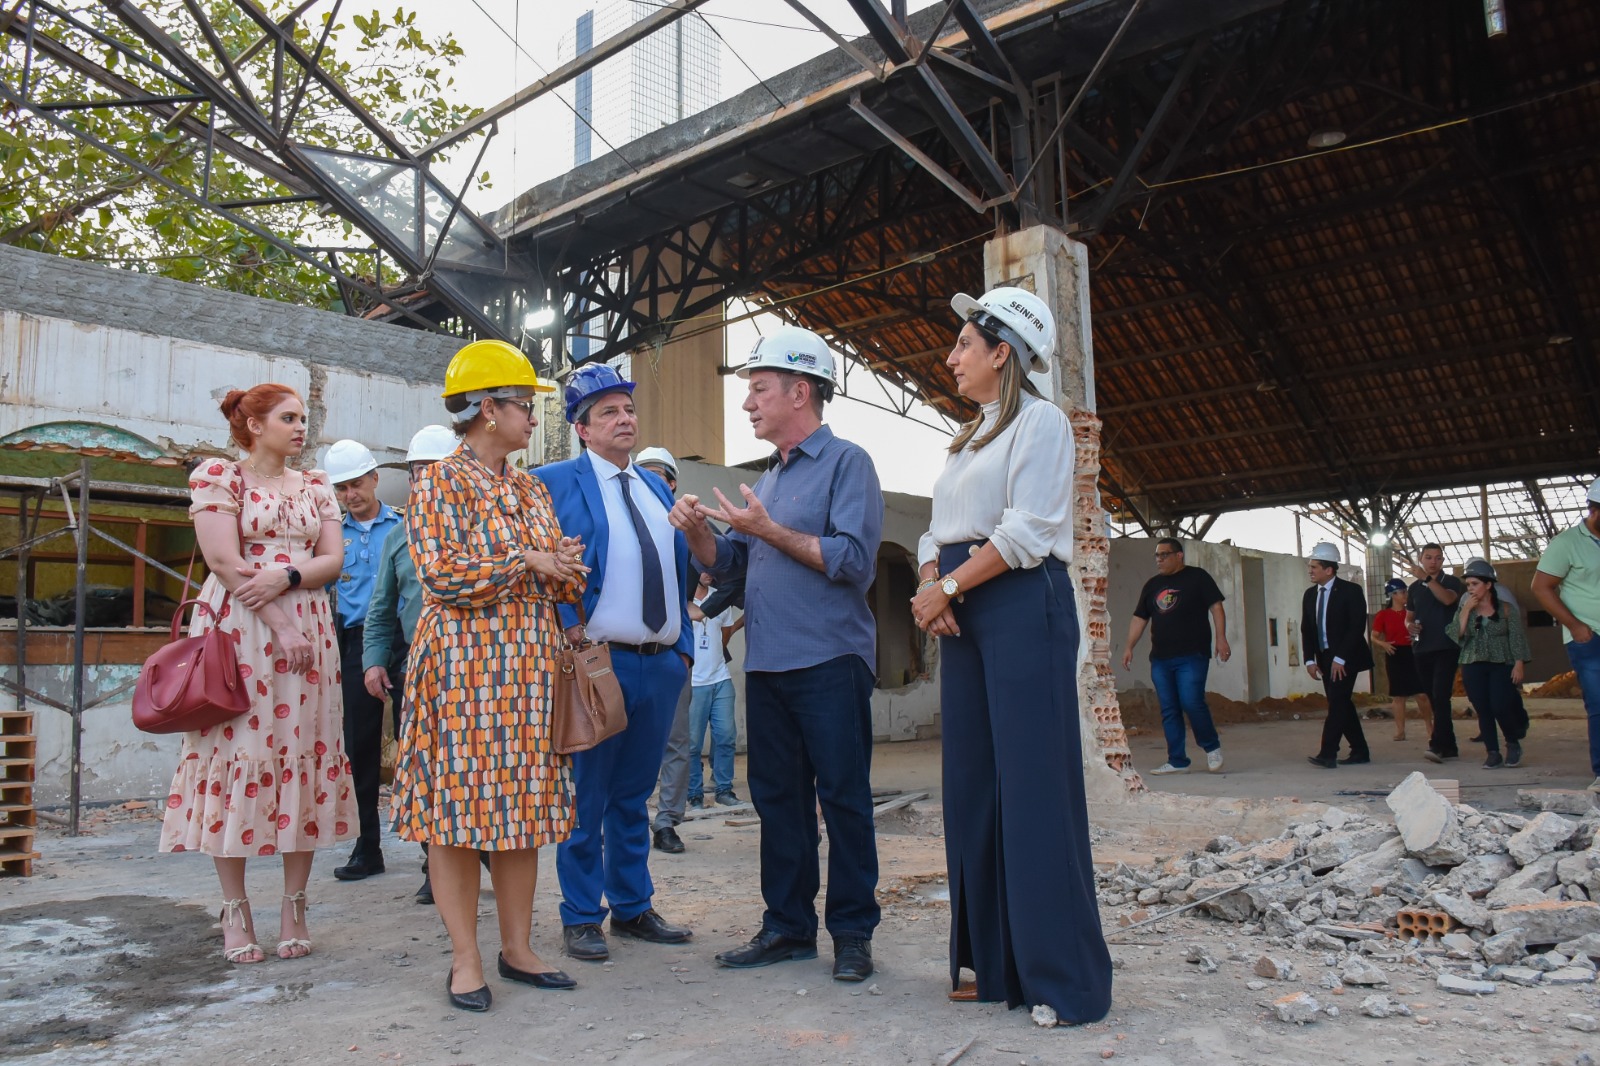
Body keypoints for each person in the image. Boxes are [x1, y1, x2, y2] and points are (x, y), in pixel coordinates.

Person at [903, 286, 1110, 1020]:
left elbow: (1028, 530)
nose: (951, 356)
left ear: (1002, 353)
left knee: (1033, 789)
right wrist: (934, 581)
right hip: (965, 606)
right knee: (973, 786)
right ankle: (991, 963)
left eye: (964, 344)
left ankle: (1062, 982)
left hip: (1022, 604)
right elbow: (937, 529)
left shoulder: (1042, 424)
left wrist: (951, 583)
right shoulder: (968, 437)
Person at [670, 324, 883, 983]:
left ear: (800, 390)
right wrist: (704, 537)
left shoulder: (848, 464)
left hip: (829, 661)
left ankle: (851, 933)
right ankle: (788, 927)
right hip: (766, 665)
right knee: (779, 801)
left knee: (843, 798)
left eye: (758, 389)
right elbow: (733, 565)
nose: (747, 403)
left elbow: (851, 560)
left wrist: (766, 528)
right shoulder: (772, 477)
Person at [390, 339, 588, 1012]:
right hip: (462, 670)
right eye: (522, 405)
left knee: (522, 812)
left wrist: (562, 564)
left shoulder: (530, 487)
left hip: (529, 674)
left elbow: (548, 570)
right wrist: (527, 560)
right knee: (455, 815)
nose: (532, 418)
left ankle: (518, 949)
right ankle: (466, 959)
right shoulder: (439, 482)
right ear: (484, 409)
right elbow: (442, 575)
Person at [160, 383, 354, 964]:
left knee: (306, 752)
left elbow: (333, 559)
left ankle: (295, 904)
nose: (300, 427)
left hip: (311, 625)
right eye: (288, 418)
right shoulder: (220, 476)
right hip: (241, 632)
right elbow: (224, 560)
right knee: (238, 752)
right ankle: (235, 909)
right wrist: (280, 619)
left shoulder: (317, 484)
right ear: (252, 423)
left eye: (302, 417)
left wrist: (290, 580)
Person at [536, 367, 696, 964]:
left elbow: (680, 563)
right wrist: (566, 627)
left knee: (633, 795)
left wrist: (680, 650)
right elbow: (536, 560)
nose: (625, 418)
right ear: (581, 428)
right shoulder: (551, 482)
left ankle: (632, 906)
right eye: (608, 412)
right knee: (588, 794)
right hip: (597, 661)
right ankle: (581, 914)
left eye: (628, 408)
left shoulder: (655, 487)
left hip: (660, 663)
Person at [361, 424, 457, 904]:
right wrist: (374, 661)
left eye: (433, 471)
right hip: (415, 670)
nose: (424, 482)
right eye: (418, 473)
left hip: (471, 672)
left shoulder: (476, 529)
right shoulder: (398, 538)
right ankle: (431, 863)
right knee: (422, 768)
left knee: (469, 769)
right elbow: (380, 609)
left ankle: (473, 852)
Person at [324, 438, 404, 881]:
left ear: (375, 479)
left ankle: (437, 857)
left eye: (356, 484)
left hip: (404, 640)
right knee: (361, 747)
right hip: (354, 644)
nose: (350, 494)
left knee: (420, 741)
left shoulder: (403, 527)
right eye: (342, 488)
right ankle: (367, 847)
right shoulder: (331, 537)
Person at [1122, 537, 1229, 775]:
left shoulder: (1198, 577)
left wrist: (1221, 638)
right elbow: (1140, 617)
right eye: (1157, 556)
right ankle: (1177, 760)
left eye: (1164, 555)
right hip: (1161, 658)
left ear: (1179, 556)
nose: (1159, 560)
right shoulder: (1152, 585)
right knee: (1169, 708)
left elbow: (1216, 607)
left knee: (1191, 701)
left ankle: (1212, 748)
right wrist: (1129, 646)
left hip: (1192, 654)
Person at [636, 445, 693, 856]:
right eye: (644, 475)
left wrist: (685, 649)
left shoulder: (687, 529)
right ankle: (628, 818)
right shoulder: (621, 523)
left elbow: (726, 569)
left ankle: (667, 822)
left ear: (673, 484)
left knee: (675, 743)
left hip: (669, 655)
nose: (653, 482)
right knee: (626, 746)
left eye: (660, 475)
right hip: (622, 657)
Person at [1533, 476, 1600, 793]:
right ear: (1595, 511)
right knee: (1599, 702)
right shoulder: (1566, 543)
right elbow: (1541, 588)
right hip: (1588, 637)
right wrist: (1574, 626)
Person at [1448, 559, 1531, 769]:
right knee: (1482, 709)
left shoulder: (1506, 609)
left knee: (1499, 705)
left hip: (1501, 663)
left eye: (1475, 584)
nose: (1470, 589)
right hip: (1472, 662)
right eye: (1468, 585)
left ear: (1488, 584)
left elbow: (1517, 638)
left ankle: (1512, 742)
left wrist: (1519, 663)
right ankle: (1492, 752)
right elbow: (1456, 634)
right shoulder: (1466, 608)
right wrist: (1466, 610)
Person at [1302, 542, 1374, 768]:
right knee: (1341, 703)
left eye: (1314, 567)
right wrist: (1310, 659)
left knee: (1338, 703)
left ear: (1329, 570)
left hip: (1346, 657)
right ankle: (1360, 750)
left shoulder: (1351, 591)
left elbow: (1356, 626)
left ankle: (1328, 752)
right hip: (1324, 657)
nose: (1310, 570)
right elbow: (1307, 628)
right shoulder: (1310, 595)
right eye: (1310, 566)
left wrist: (1340, 657)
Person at [687, 570, 742, 808]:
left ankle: (724, 789)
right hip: (693, 682)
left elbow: (726, 633)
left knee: (727, 736)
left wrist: (713, 656)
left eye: (711, 568)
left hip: (720, 678)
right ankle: (694, 793)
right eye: (702, 568)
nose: (708, 573)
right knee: (692, 744)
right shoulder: (683, 601)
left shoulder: (720, 598)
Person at [1405, 543, 1464, 764]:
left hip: (1446, 647)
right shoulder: (1414, 588)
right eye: (1428, 557)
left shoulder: (1451, 582)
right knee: (1434, 698)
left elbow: (1448, 599)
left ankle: (1437, 744)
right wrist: (1408, 626)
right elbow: (1409, 616)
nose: (1433, 562)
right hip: (1422, 648)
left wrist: (1428, 580)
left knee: (1441, 695)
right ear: (1421, 558)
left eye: (1438, 558)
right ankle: (1449, 745)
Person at [1370, 577, 1430, 742]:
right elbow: (1373, 636)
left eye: (1406, 592)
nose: (1405, 595)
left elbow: (1421, 629)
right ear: (1392, 595)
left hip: (1413, 653)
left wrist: (1417, 638)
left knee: (1422, 694)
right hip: (1395, 654)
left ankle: (1430, 728)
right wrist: (1384, 644)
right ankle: (1400, 731)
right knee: (1399, 696)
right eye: (1402, 592)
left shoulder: (1412, 612)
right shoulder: (1383, 615)